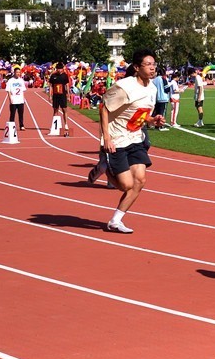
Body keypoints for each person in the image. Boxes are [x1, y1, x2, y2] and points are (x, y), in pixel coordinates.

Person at [86, 49, 165, 234]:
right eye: (148, 64)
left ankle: (115, 220)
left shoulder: (152, 88)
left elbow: (141, 113)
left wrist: (153, 120)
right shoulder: (125, 87)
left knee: (140, 180)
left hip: (135, 137)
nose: (153, 68)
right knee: (125, 185)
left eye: (154, 64)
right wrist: (106, 138)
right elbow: (104, 108)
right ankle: (104, 167)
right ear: (137, 68)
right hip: (117, 139)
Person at [49, 63, 72, 136]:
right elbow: (50, 86)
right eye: (58, 68)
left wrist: (68, 95)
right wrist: (50, 95)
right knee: (55, 110)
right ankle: (55, 125)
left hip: (62, 95)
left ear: (62, 69)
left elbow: (67, 85)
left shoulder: (65, 76)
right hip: (55, 95)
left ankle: (66, 124)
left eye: (60, 68)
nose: (59, 70)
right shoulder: (53, 76)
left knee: (64, 110)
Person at [6, 65, 27, 131]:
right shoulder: (10, 81)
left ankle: (21, 125)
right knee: (12, 114)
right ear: (14, 73)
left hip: (20, 100)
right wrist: (10, 99)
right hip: (13, 100)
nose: (18, 73)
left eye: (19, 72)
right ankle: (11, 126)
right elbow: (8, 91)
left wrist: (23, 99)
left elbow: (23, 91)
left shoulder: (21, 80)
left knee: (21, 114)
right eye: (17, 72)